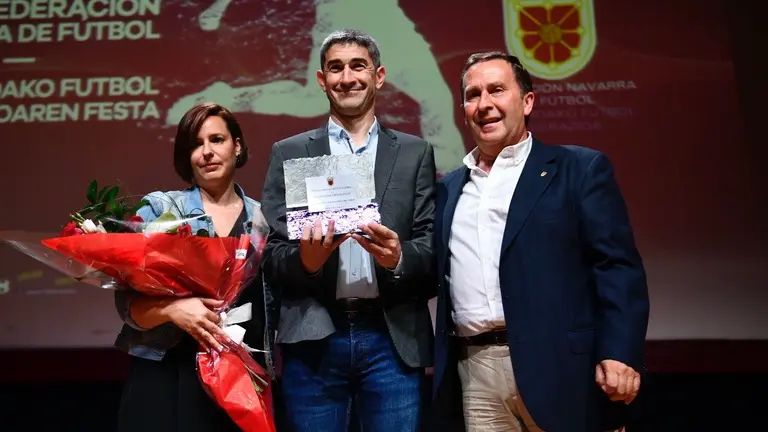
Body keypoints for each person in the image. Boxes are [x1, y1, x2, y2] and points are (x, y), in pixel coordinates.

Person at [431, 51, 650, 432]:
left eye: (497, 90)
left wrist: (620, 351)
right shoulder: (449, 188)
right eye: (472, 95)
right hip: (475, 371)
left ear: (527, 101)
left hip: (564, 369)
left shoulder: (579, 169)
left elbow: (617, 267)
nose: (484, 104)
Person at [260, 29, 436, 432]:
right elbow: (272, 254)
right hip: (314, 338)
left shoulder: (414, 153)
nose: (347, 77)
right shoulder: (291, 152)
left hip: (391, 338)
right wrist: (306, 262)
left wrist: (399, 258)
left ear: (379, 76)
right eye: (336, 68)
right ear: (322, 80)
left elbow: (430, 246)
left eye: (358, 66)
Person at [112, 102, 273, 431]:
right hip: (167, 372)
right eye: (196, 144)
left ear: (237, 146)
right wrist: (174, 310)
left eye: (217, 140)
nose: (207, 152)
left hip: (239, 377)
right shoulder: (161, 210)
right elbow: (127, 305)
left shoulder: (264, 221)